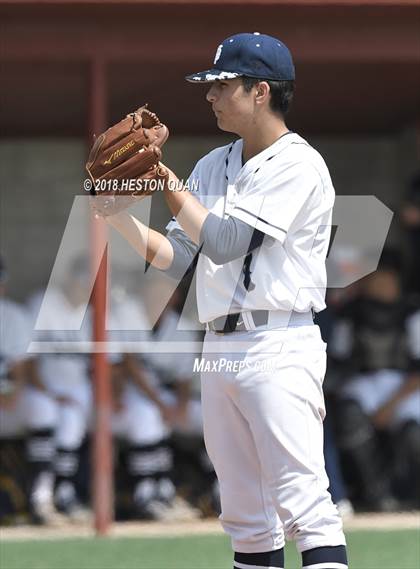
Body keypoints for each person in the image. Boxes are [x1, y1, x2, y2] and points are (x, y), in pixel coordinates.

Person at [96, 33, 347, 569]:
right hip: (220, 347)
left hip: (278, 343)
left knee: (303, 505)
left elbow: (229, 241)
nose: (209, 95)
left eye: (221, 85)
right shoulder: (213, 164)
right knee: (245, 516)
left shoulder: (299, 164)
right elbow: (179, 256)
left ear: (261, 91)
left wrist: (166, 181)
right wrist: (115, 214)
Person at [329, 259, 420, 510]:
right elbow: (339, 358)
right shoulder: (352, 313)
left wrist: (391, 406)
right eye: (376, 280)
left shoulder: (411, 313)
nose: (383, 286)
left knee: (413, 430)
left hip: (404, 384)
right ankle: (377, 493)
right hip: (364, 381)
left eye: (388, 281)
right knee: (350, 416)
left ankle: (411, 492)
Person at [0, 256, 58, 525]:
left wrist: (15, 391)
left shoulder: (13, 315)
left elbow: (21, 364)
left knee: (43, 408)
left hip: (9, 401)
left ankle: (40, 496)